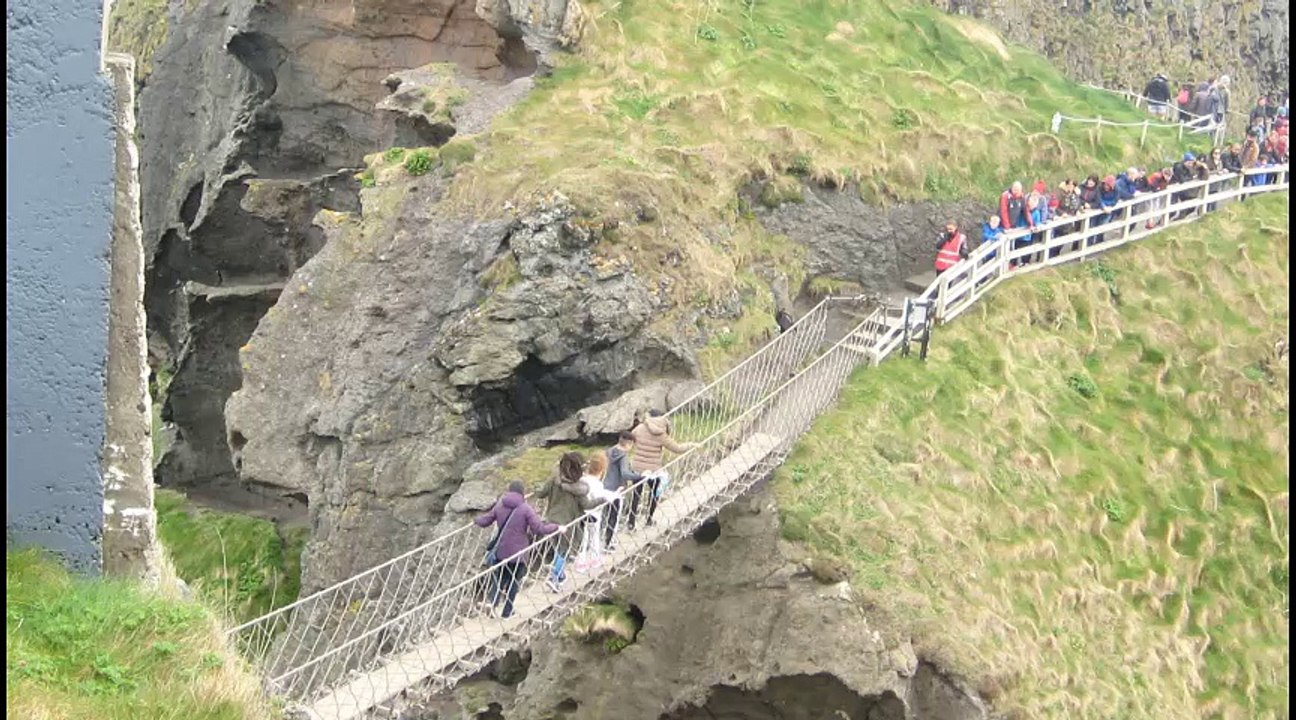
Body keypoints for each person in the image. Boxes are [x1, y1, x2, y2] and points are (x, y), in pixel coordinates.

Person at [474, 480, 560, 618]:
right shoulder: (525, 509)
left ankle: (493, 602)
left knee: (500, 578)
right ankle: (507, 612)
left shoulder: (500, 505)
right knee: (514, 581)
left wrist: (475, 520)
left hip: (501, 551)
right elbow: (539, 529)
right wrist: (556, 527)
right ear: (522, 493)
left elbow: (485, 521)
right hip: (518, 554)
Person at [628, 409, 697, 529]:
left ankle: (631, 523)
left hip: (638, 468)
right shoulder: (661, 434)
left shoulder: (639, 429)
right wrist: (691, 445)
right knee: (655, 493)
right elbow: (677, 448)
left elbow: (630, 441)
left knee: (636, 495)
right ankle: (649, 519)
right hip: (653, 471)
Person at [534, 452, 588, 592]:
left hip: (550, 522)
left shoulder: (554, 481)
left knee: (559, 550)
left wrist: (537, 487)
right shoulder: (578, 489)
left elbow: (541, 493)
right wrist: (605, 500)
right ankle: (554, 578)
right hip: (566, 525)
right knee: (563, 551)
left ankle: (561, 576)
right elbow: (587, 505)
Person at [602, 432, 643, 548]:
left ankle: (603, 540)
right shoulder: (623, 456)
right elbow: (625, 474)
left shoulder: (609, 451)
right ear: (629, 444)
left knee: (605, 515)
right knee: (614, 516)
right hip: (617, 489)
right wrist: (640, 476)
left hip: (605, 487)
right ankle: (609, 543)